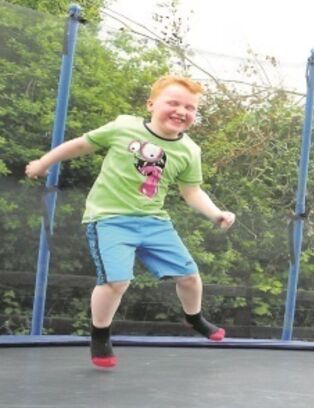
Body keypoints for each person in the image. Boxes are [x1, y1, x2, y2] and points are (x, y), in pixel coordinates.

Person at [26, 75, 236, 368]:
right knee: (116, 282)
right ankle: (100, 335)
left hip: (154, 222)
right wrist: (44, 163)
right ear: (151, 104)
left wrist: (216, 213)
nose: (181, 111)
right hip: (109, 219)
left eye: (190, 108)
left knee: (190, 276)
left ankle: (194, 317)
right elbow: (81, 145)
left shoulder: (189, 150)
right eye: (173, 103)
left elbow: (191, 191)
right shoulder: (124, 127)